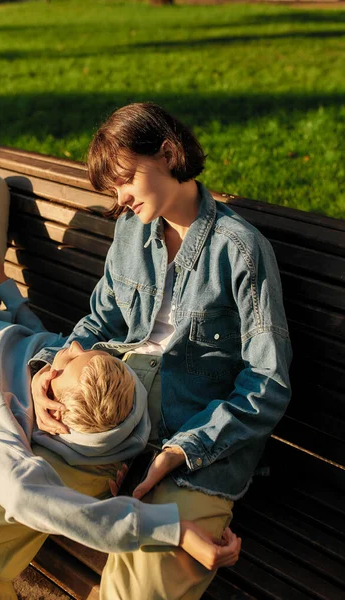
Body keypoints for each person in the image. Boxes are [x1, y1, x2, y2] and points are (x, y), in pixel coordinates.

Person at [32, 102, 292, 600]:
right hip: (109, 411)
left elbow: (268, 382)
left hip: (199, 436)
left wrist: (178, 451)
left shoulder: (239, 250)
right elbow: (100, 319)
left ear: (169, 153)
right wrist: (52, 367)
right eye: (112, 189)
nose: (119, 199)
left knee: (140, 586)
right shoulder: (130, 231)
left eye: (125, 179)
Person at [0, 171, 241, 600]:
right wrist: (4, 285)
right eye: (80, 352)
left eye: (64, 362)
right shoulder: (81, 374)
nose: (70, 346)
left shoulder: (3, 425)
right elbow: (45, 338)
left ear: (57, 416)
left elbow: (30, 496)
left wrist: (167, 530)